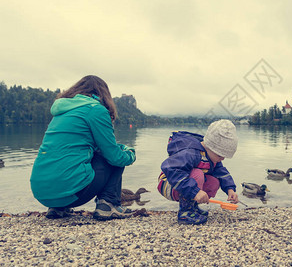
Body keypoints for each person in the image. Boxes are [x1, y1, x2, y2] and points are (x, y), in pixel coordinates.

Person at [30, 75, 136, 220]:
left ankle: (57, 208)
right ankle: (108, 205)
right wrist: (130, 153)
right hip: (71, 192)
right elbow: (115, 156)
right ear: (103, 95)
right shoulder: (96, 110)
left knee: (68, 156)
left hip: (41, 192)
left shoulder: (61, 111)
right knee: (117, 156)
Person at [157, 119, 239, 225]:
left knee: (214, 182)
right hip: (169, 183)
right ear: (210, 146)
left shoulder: (211, 157)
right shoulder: (191, 153)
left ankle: (193, 207)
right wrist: (195, 191)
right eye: (219, 155)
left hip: (185, 186)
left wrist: (230, 189)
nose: (222, 159)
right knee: (198, 174)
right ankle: (185, 212)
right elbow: (169, 168)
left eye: (224, 156)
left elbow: (221, 172)